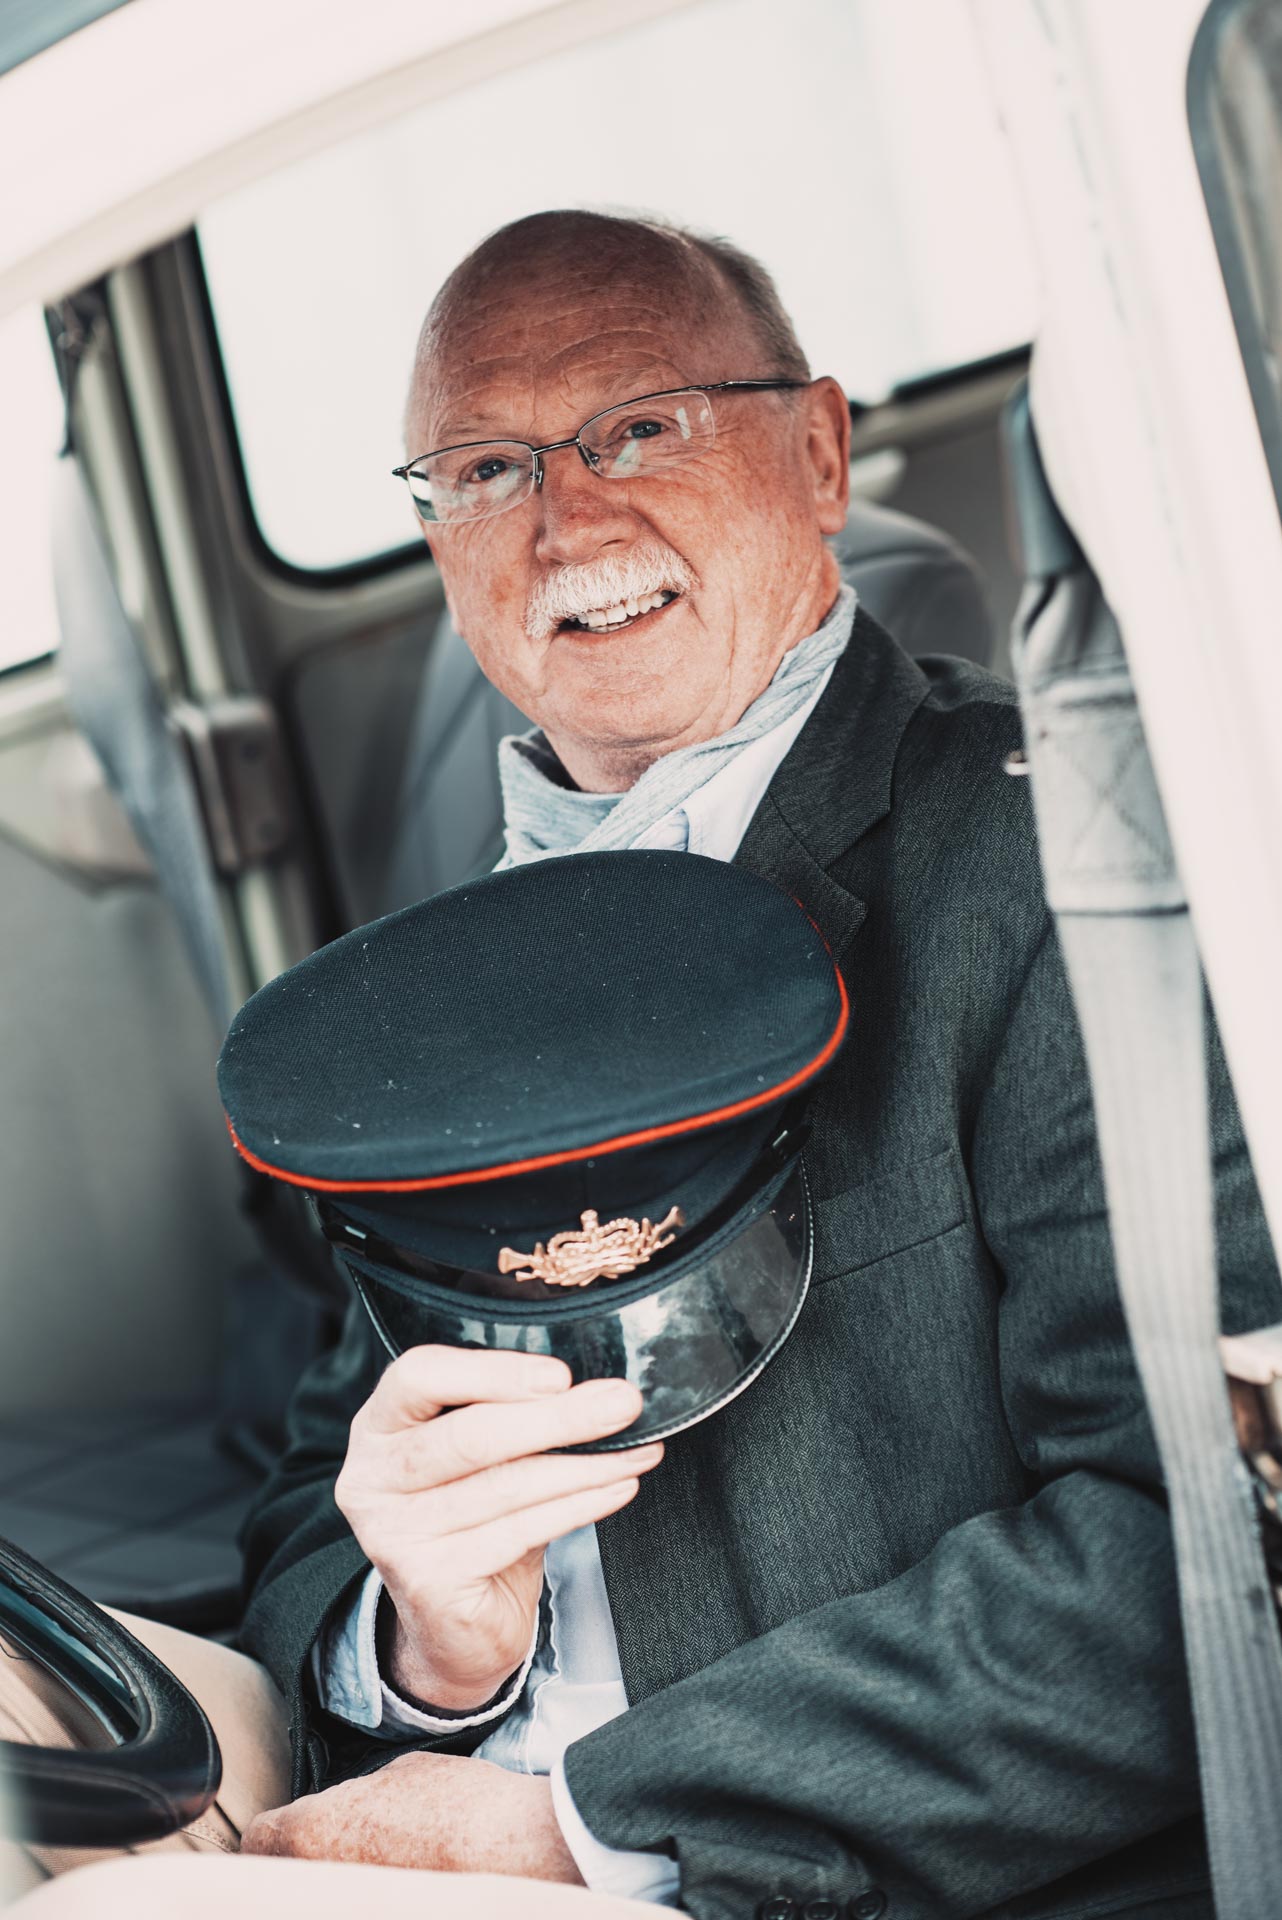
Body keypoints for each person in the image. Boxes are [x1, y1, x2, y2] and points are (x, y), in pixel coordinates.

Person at [2, 208, 1278, 1920]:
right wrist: (429, 1642)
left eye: (640, 429)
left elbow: (1188, 1550)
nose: (564, 522)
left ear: (818, 451)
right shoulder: (462, 971)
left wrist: (584, 1825)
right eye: (482, 468)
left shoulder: (1063, 871)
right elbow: (322, 1491)